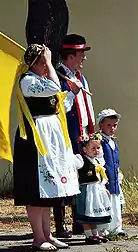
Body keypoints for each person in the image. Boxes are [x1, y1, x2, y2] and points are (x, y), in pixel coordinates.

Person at [13, 44, 82, 252]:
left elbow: (59, 104)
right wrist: (51, 64)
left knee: (48, 189)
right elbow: (54, 88)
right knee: (37, 188)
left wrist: (72, 94)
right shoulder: (28, 81)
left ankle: (47, 234)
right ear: (36, 63)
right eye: (44, 62)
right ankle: (38, 236)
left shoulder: (41, 81)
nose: (47, 66)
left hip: (50, 135)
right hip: (35, 137)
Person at [53, 34, 95, 237]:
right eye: (81, 54)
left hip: (83, 135)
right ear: (71, 56)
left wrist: (91, 133)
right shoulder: (58, 78)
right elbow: (59, 108)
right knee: (64, 178)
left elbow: (88, 108)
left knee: (81, 179)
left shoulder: (80, 77)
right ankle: (60, 225)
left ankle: (79, 221)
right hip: (67, 135)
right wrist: (72, 93)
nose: (84, 58)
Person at [75, 133, 111, 244]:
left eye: (98, 148)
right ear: (85, 150)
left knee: (93, 214)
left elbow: (101, 176)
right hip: (86, 190)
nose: (96, 151)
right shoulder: (81, 160)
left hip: (96, 190)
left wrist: (104, 188)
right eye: (93, 148)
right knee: (86, 213)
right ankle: (88, 235)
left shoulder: (97, 161)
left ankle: (96, 234)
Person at [97, 108, 127, 236]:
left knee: (115, 203)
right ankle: (104, 229)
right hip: (105, 178)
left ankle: (116, 228)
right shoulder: (100, 140)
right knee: (106, 203)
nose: (112, 128)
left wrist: (118, 174)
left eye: (114, 125)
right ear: (101, 125)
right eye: (108, 125)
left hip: (114, 178)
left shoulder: (113, 141)